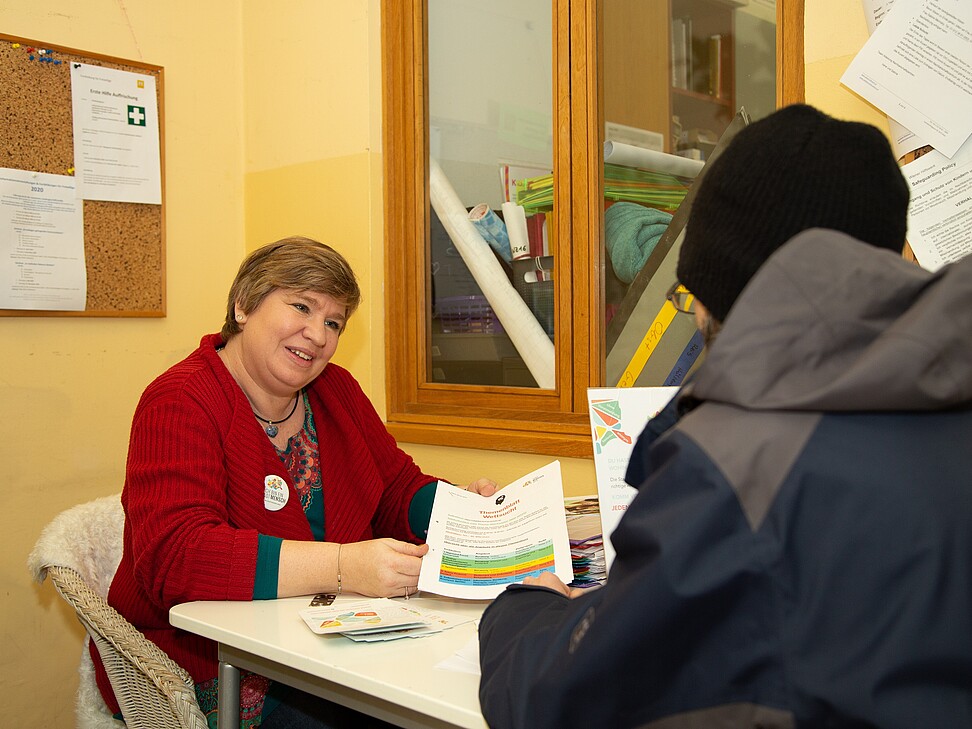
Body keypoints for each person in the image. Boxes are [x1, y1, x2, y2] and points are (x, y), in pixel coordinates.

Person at [478, 104, 972, 728]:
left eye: (689, 295)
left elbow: (565, 701)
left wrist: (522, 607)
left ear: (722, 287)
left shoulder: (737, 458)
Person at [97, 236, 496, 728]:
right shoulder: (179, 400)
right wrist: (343, 566)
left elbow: (394, 489)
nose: (318, 334)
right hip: (207, 663)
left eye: (333, 322)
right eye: (302, 307)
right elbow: (176, 558)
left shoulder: (337, 390)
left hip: (327, 642)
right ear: (243, 306)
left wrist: (468, 513)